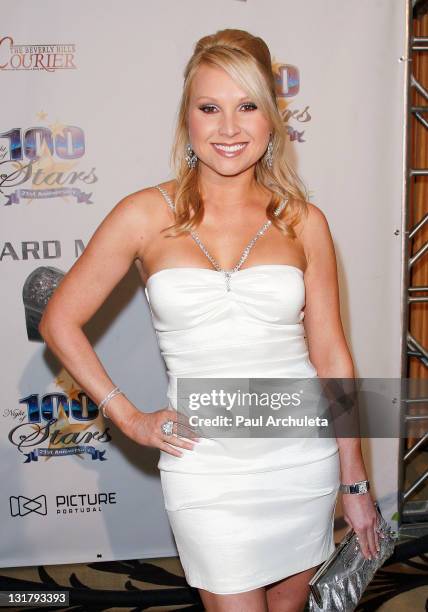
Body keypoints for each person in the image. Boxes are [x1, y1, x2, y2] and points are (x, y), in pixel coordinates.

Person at [39, 28, 380, 612]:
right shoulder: (145, 214)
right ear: (187, 120)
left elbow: (332, 357)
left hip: (300, 456)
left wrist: (354, 482)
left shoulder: (304, 222)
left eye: (247, 106)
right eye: (210, 108)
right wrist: (128, 417)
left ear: (271, 120)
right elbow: (59, 321)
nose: (228, 128)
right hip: (206, 463)